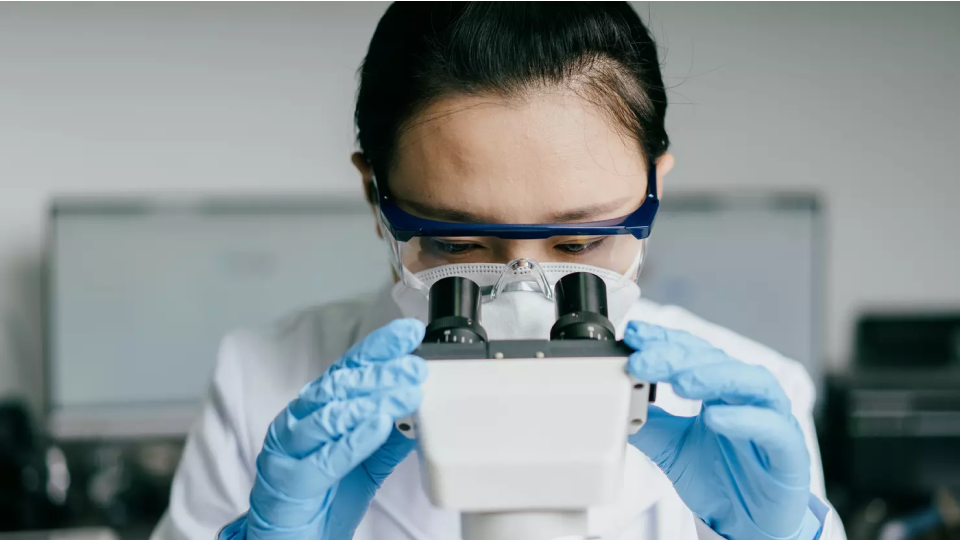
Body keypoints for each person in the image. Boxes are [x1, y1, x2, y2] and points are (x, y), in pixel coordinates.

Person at [151, 2, 846, 539]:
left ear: (652, 191)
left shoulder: (753, 410)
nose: (523, 301)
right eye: (456, 246)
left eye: (578, 246)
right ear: (376, 197)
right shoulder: (262, 385)